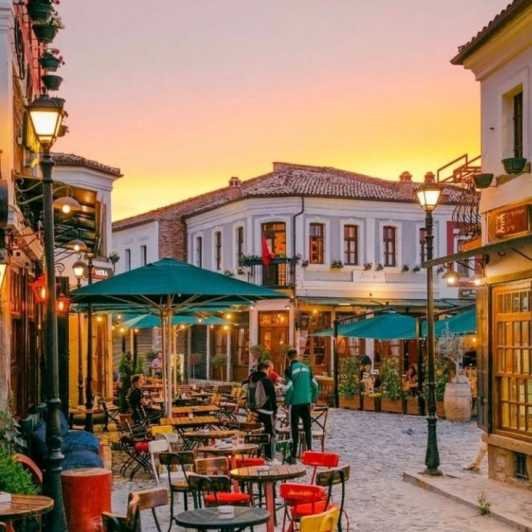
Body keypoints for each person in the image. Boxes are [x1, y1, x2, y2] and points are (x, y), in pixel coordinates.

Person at [284, 349, 319, 463]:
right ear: (297, 356)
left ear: (288, 358)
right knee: (307, 427)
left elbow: (289, 387)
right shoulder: (307, 368)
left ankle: (293, 455)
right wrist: (313, 400)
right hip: (306, 402)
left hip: (295, 403)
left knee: (294, 428)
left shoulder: (289, 369)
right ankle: (309, 452)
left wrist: (287, 401)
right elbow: (315, 385)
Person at [251, 362, 277, 459]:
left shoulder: (251, 378)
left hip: (254, 411)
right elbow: (273, 398)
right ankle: (268, 456)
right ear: (266, 369)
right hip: (266, 411)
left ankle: (257, 454)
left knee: (258, 433)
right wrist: (275, 411)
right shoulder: (267, 380)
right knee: (269, 434)